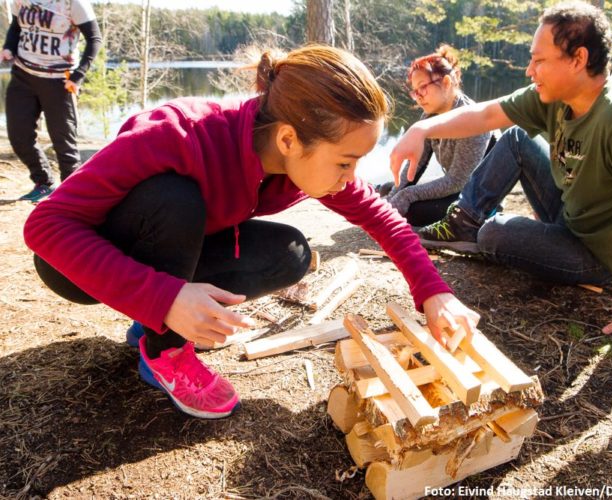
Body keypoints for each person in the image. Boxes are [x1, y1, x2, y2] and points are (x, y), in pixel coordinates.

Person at [24, 45, 479, 420]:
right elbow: (46, 225)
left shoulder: (297, 154)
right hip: (76, 260)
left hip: (159, 251)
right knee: (176, 199)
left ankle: (149, 318)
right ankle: (165, 348)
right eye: (345, 162)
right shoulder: (176, 135)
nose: (351, 177)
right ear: (287, 140)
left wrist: (434, 292)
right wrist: (166, 298)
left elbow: (383, 220)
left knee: (291, 252)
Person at [390, 1, 612, 344]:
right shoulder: (556, 96)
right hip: (572, 213)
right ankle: (464, 221)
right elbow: (487, 115)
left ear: (578, 59)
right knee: (517, 136)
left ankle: (482, 230)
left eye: (539, 60)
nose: (529, 71)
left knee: (493, 235)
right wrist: (422, 130)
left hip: (600, 255)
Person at [377, 45, 494, 227]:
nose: (418, 97)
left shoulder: (473, 120)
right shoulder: (429, 116)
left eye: (422, 87)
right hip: (455, 188)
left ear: (446, 82)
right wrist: (392, 199)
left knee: (412, 210)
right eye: (415, 91)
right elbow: (415, 167)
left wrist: (407, 195)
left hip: (476, 198)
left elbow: (457, 181)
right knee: (390, 188)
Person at [2, 0, 102, 202]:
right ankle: (43, 183)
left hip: (60, 81)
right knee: (19, 135)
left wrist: (79, 75)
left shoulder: (72, 3)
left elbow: (94, 39)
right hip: (24, 75)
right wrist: (9, 48)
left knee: (64, 142)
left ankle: (70, 194)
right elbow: (16, 27)